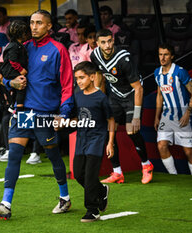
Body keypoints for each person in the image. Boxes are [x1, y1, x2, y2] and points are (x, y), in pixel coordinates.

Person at [0, 10, 74, 220]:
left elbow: (67, 84)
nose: (34, 27)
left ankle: (65, 197)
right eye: (32, 22)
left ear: (49, 27)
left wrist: (64, 113)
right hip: (22, 111)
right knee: (13, 155)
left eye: (39, 23)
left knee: (52, 156)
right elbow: (3, 75)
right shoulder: (21, 47)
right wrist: (9, 82)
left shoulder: (58, 50)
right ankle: (6, 204)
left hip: (45, 113)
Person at [91, 29, 154, 184]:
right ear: (97, 44)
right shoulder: (95, 55)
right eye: (103, 42)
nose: (107, 45)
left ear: (113, 40)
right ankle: (117, 172)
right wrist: (99, 96)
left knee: (131, 130)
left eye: (109, 41)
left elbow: (139, 88)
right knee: (107, 129)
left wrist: (137, 116)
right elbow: (99, 74)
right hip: (115, 95)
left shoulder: (123, 59)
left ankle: (146, 165)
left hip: (132, 95)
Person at [72, 61, 114, 222]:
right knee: (78, 174)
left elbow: (111, 119)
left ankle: (92, 209)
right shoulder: (77, 95)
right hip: (81, 140)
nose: (79, 81)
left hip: (96, 140)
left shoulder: (101, 98)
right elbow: (77, 117)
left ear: (92, 77)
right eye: (77, 78)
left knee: (90, 176)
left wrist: (110, 142)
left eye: (82, 78)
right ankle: (101, 191)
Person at [154, 43, 192, 176]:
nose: (162, 58)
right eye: (160, 54)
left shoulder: (180, 71)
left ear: (172, 56)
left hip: (182, 115)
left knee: (188, 152)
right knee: (161, 146)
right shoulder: (157, 73)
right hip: (167, 116)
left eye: (166, 55)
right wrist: (157, 116)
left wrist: (188, 112)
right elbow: (159, 95)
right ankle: (175, 176)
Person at [0, 20, 30, 113]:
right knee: (21, 85)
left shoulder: (18, 45)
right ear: (22, 34)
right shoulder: (14, 46)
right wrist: (21, 70)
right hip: (10, 71)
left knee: (17, 89)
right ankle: (18, 110)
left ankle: (13, 106)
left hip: (36, 106)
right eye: (26, 33)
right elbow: (12, 60)